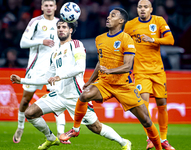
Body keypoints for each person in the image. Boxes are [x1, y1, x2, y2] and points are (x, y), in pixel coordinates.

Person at [10, 18, 131, 150]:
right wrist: (22, 80)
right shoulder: (55, 53)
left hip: (76, 96)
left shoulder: (76, 45)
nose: (61, 29)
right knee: (30, 113)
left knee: (95, 127)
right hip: (59, 95)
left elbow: (80, 68)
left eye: (64, 27)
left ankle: (124, 143)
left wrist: (59, 76)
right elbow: (46, 78)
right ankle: (51, 138)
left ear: (71, 30)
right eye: (59, 27)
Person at [60, 7, 163, 150]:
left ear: (121, 20)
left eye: (113, 15)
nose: (108, 17)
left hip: (124, 86)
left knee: (146, 120)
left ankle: (159, 147)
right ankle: (75, 129)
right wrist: (90, 81)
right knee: (85, 95)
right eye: (108, 15)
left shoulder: (126, 39)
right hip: (105, 83)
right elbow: (100, 62)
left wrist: (109, 70)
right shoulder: (100, 39)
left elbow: (127, 66)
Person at [12, 0, 69, 145]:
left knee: (58, 101)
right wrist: (40, 41)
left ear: (56, 7)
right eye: (46, 5)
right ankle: (20, 127)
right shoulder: (35, 22)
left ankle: (60, 133)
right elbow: (22, 43)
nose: (49, 8)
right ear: (42, 7)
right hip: (36, 68)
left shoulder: (60, 23)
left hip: (54, 68)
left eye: (51, 5)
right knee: (25, 101)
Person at [124, 0, 175, 150]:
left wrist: (153, 40)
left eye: (146, 7)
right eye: (140, 7)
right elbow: (122, 42)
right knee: (144, 105)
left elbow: (170, 40)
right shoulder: (130, 25)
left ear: (151, 9)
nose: (142, 9)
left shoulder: (158, 21)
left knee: (162, 105)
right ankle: (150, 138)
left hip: (158, 71)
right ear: (137, 9)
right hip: (140, 71)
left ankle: (164, 139)